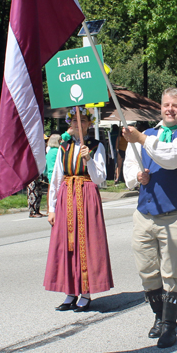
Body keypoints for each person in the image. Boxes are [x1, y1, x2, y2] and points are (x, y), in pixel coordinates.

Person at [123, 87, 177, 349]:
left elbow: (171, 158)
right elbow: (130, 165)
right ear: (160, 107)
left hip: (173, 215)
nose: (170, 109)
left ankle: (169, 325)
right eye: (166, 105)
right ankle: (159, 316)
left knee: (171, 273)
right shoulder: (146, 134)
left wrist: (142, 140)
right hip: (144, 213)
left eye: (175, 106)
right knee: (147, 272)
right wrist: (137, 176)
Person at [44, 108, 113, 312]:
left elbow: (100, 178)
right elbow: (56, 177)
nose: (78, 124)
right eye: (74, 120)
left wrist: (88, 160)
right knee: (67, 243)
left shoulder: (95, 146)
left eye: (82, 120)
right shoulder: (63, 147)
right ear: (70, 124)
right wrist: (52, 207)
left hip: (86, 194)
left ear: (89, 124)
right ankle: (70, 292)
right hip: (67, 196)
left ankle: (86, 293)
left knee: (87, 243)